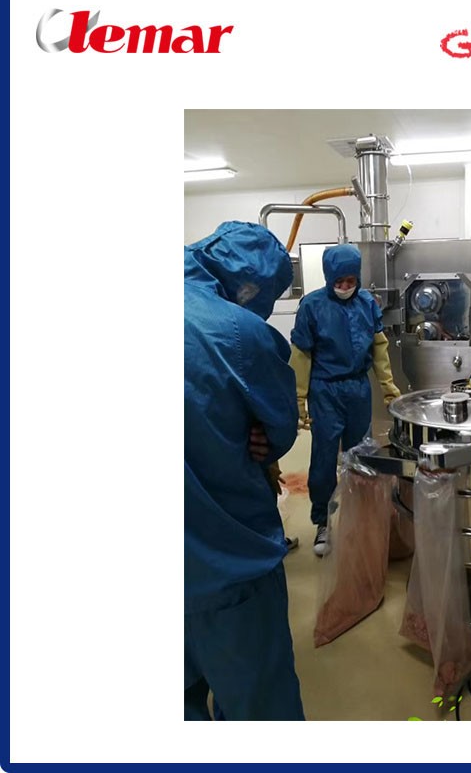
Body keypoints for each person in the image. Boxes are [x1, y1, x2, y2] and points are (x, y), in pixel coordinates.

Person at [184, 220, 304, 721]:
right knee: (259, 706)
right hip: (227, 559)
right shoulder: (238, 331)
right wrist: (268, 438)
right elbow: (278, 425)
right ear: (252, 288)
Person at [289, 244, 401, 556]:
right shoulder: (312, 306)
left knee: (361, 455)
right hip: (325, 390)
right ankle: (322, 522)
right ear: (328, 277)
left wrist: (388, 387)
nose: (345, 286)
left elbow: (379, 348)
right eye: (339, 281)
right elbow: (301, 354)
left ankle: (360, 516)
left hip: (358, 389)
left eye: (351, 280)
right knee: (324, 457)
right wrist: (299, 398)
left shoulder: (367, 303)